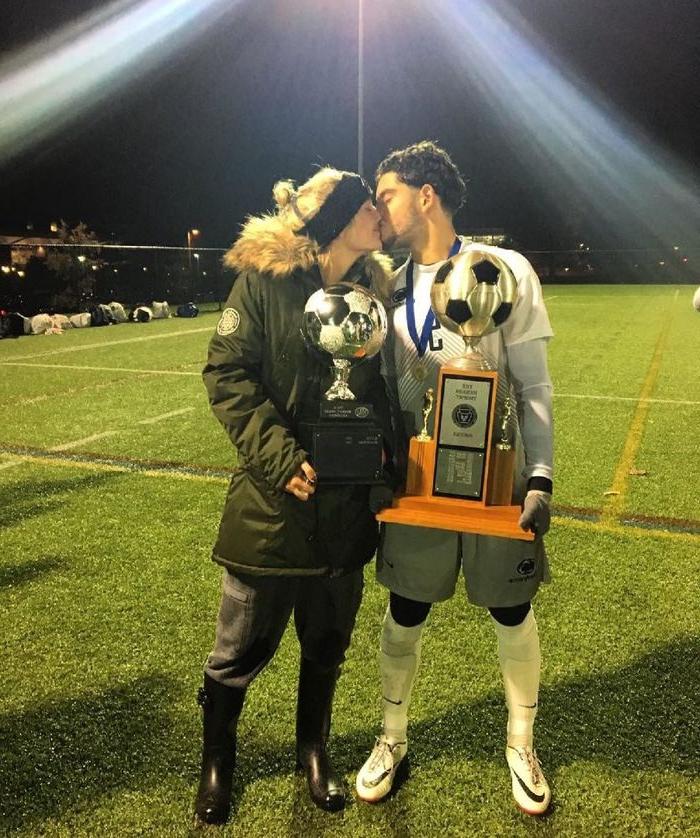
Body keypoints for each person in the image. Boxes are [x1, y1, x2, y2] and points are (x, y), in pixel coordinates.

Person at [355, 142, 554, 816]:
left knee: (510, 609)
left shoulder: (504, 269)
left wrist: (541, 476)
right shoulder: (384, 286)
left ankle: (520, 741)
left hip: (496, 481)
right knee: (405, 608)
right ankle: (391, 735)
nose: (380, 211)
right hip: (418, 483)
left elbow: (533, 386)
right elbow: (383, 392)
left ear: (426, 194)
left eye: (386, 195)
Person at [196, 168, 394, 825]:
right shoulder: (265, 282)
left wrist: (385, 456)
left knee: (327, 643)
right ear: (340, 217)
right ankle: (217, 764)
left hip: (344, 512)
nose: (381, 215)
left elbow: (382, 393)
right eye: (369, 205)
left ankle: (313, 751)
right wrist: (282, 459)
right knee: (238, 651)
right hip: (273, 508)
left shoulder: (376, 292)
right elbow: (226, 373)